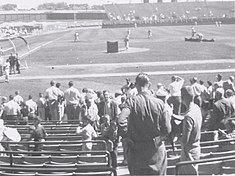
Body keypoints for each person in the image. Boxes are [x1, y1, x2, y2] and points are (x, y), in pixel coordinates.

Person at [119, 72, 171, 175]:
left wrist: (126, 136)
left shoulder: (131, 102)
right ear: (149, 84)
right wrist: (161, 137)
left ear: (136, 85)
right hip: (155, 150)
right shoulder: (159, 103)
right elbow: (167, 129)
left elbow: (121, 121)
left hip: (137, 150)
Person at [178, 86, 202, 175]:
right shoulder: (197, 108)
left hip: (189, 151)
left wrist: (177, 136)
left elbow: (185, 140)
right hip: (196, 147)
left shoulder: (188, 116)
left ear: (182, 98)